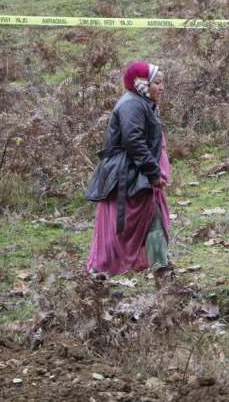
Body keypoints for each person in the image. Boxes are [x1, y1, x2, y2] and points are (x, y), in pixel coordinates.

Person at [85, 60, 173, 287]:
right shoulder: (132, 105)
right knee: (130, 223)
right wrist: (153, 171)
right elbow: (133, 141)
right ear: (142, 83)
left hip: (135, 173)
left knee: (151, 216)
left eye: (163, 83)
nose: (161, 87)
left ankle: (162, 270)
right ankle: (102, 272)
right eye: (157, 83)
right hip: (128, 176)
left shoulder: (142, 102)